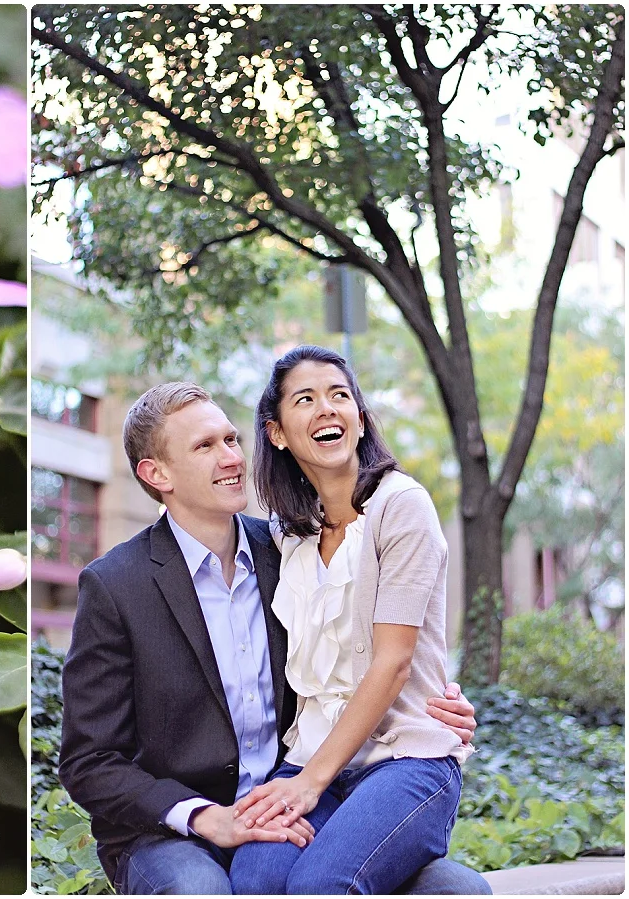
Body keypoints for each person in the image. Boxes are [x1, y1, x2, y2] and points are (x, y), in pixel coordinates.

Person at [58, 380, 490, 895]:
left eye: (231, 440)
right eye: (205, 446)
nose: (231, 457)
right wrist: (204, 817)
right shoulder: (116, 585)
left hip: (302, 798)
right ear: (157, 474)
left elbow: (359, 658)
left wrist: (435, 699)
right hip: (179, 834)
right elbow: (88, 762)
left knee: (454, 890)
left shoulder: (291, 549)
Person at [227, 345, 472, 894]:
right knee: (255, 884)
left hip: (405, 760)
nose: (327, 409)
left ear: (360, 420)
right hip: (310, 759)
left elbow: (393, 663)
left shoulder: (401, 506)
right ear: (277, 433)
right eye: (306, 399)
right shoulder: (287, 534)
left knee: (322, 885)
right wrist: (305, 778)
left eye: (341, 396)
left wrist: (309, 785)